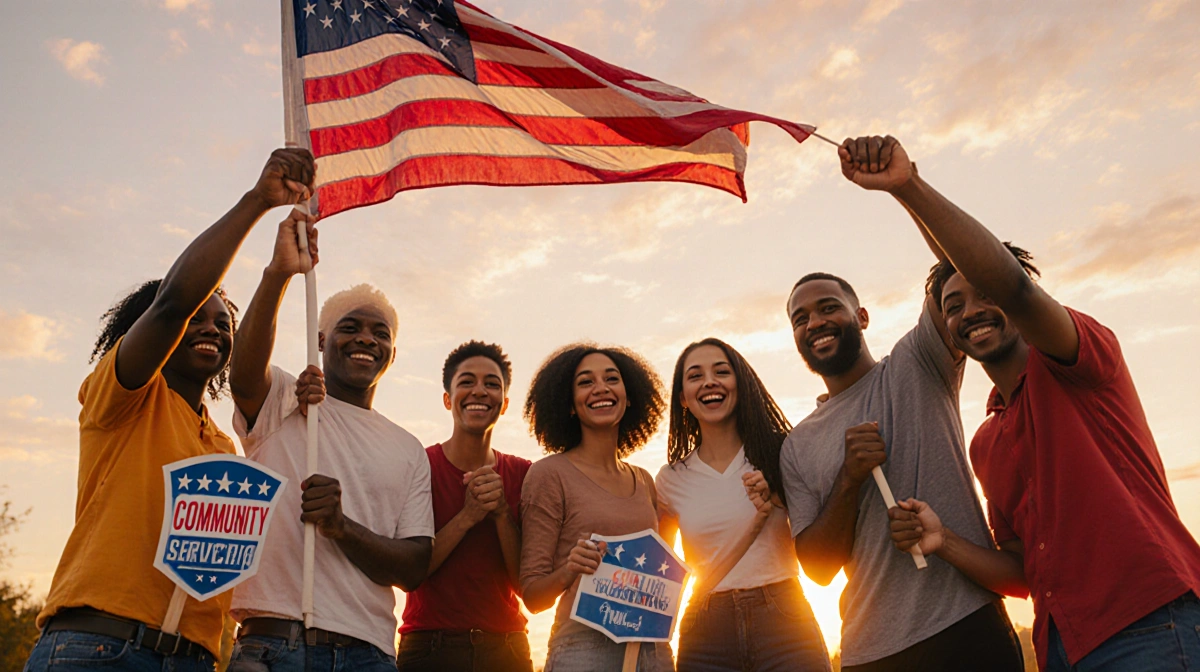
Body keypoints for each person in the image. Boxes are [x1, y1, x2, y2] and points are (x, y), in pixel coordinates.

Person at [851, 134, 1200, 672]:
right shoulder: (986, 440)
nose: (971, 310)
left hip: (1148, 622)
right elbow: (1019, 572)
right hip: (1061, 646)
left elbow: (1012, 287)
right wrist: (941, 541)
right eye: (953, 304)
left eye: (983, 293)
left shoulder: (1079, 358)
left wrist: (908, 188)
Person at [25, 149, 315, 672]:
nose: (212, 328)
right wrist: (257, 202)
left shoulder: (222, 445)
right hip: (97, 647)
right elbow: (173, 302)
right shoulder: (121, 395)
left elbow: (212, 564)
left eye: (223, 323)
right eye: (197, 318)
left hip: (193, 658)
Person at [779, 208, 1025, 666]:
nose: (814, 322)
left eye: (829, 307)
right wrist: (849, 479)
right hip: (871, 649)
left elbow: (964, 268)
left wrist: (901, 188)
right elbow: (817, 567)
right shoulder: (796, 445)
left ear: (863, 316)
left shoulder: (919, 361)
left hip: (968, 621)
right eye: (800, 318)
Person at [225, 214, 434, 671]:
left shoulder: (407, 447)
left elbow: (414, 566)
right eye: (350, 327)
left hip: (367, 651)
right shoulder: (286, 397)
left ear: (392, 355)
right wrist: (280, 272)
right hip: (272, 644)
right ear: (321, 340)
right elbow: (241, 374)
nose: (365, 338)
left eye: (381, 334)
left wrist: (341, 526)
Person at [657, 338, 831, 672]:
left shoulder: (782, 453)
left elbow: (819, 534)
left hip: (784, 619)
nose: (709, 381)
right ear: (683, 398)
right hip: (705, 629)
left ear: (740, 384)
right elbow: (664, 573)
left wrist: (779, 496)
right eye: (695, 376)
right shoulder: (669, 479)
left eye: (721, 371)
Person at [519, 344, 671, 672]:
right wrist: (570, 569)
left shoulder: (644, 480)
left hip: (652, 649)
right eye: (585, 382)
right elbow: (533, 596)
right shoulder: (549, 474)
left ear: (629, 396)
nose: (600, 388)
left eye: (611, 379)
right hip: (583, 650)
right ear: (570, 405)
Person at [397, 341, 534, 672]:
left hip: (507, 649)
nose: (479, 391)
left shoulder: (525, 474)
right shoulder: (419, 466)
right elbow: (408, 574)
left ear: (504, 405)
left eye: (491, 384)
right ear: (448, 399)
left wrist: (502, 514)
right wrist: (468, 516)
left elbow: (526, 586)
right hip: (430, 649)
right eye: (467, 382)